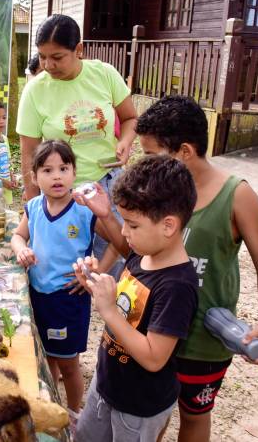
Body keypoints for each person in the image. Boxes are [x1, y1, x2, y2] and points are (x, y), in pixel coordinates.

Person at [135, 95, 258, 442]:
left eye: (151, 154)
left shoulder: (237, 195)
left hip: (202, 342)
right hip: (154, 333)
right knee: (152, 414)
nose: (145, 165)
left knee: (195, 416)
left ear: (184, 151)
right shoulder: (159, 190)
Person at [72, 155, 199, 442]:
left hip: (139, 409)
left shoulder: (177, 286)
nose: (124, 232)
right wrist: (96, 284)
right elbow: (128, 303)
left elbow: (154, 357)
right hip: (106, 386)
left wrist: (108, 311)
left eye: (132, 225)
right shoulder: (145, 254)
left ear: (168, 226)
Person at [10, 140, 126, 423]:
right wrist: (21, 249)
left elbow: (117, 242)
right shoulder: (34, 207)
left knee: (70, 364)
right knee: (47, 358)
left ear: (75, 172)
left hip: (68, 299)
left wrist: (95, 274)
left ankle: (74, 414)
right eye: (47, 170)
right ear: (35, 177)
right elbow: (17, 236)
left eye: (64, 168)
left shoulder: (84, 210)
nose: (57, 176)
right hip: (38, 295)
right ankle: (50, 403)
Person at [16, 14, 138, 278]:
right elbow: (29, 153)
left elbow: (130, 118)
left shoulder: (104, 74)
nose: (48, 65)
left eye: (57, 57)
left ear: (79, 50)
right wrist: (36, 202)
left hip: (107, 185)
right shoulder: (35, 91)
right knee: (64, 269)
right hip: (61, 192)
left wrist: (126, 142)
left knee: (119, 259)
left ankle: (115, 314)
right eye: (42, 56)